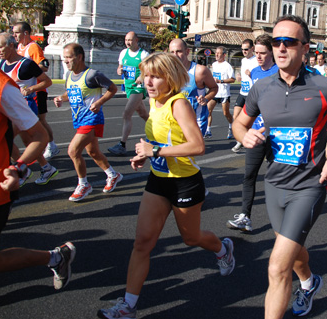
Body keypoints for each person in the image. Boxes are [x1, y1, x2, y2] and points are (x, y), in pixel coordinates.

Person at [232, 15, 327, 318]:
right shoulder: (261, 88)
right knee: (292, 252)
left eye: (289, 42)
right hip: (275, 184)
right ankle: (309, 283)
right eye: (275, 41)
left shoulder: (326, 86)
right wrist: (246, 136)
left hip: (309, 185)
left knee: (277, 265)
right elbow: (239, 123)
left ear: (305, 48)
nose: (280, 48)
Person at [97, 53, 235, 319]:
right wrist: (144, 154)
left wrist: (156, 151)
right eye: (146, 75)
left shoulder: (178, 103)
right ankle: (128, 306)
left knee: (191, 238)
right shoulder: (154, 100)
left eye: (155, 76)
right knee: (142, 243)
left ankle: (222, 248)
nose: (148, 81)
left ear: (170, 78)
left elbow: (198, 146)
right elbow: (159, 141)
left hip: (185, 183)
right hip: (158, 181)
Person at [0, 12, 75, 317]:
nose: (1, 50)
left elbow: (38, 135)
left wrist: (18, 168)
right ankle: (56, 257)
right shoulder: (3, 68)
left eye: (5, 45)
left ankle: (51, 169)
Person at [54, 43, 123, 201]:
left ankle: (83, 184)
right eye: (64, 57)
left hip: (92, 119)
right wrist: (61, 98)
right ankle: (113, 175)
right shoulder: (70, 76)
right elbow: (70, 93)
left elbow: (112, 88)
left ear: (79, 57)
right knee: (93, 152)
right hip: (79, 119)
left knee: (73, 151)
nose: (65, 61)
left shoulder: (92, 75)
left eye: (68, 57)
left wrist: (99, 102)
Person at [227, 34, 278, 232]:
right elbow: (251, 102)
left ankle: (281, 218)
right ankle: (245, 216)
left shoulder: (279, 72)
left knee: (275, 178)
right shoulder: (255, 72)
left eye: (262, 53)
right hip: (256, 132)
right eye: (256, 52)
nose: (258, 56)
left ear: (271, 52)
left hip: (275, 135)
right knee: (249, 175)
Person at [0, 33, 59, 186]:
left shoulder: (26, 64)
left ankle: (22, 170)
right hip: (10, 108)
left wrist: (31, 88)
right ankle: (46, 168)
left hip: (25, 107)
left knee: (5, 139)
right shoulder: (2, 64)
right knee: (28, 141)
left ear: (11, 45)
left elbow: (47, 81)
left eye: (0, 47)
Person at [13, 22, 60, 159]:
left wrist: (30, 71)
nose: (14, 35)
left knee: (40, 121)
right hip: (23, 92)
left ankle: (51, 145)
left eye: (17, 32)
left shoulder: (32, 48)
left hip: (37, 90)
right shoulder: (18, 48)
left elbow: (44, 66)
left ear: (25, 33)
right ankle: (37, 148)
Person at [108, 32, 150, 156]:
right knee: (143, 114)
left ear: (136, 40)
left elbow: (149, 69)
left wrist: (142, 78)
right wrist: (119, 70)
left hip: (138, 88)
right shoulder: (123, 53)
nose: (128, 42)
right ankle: (160, 130)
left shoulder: (143, 54)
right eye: (126, 40)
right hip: (127, 87)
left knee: (126, 114)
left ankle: (122, 144)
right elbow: (119, 68)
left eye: (130, 40)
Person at [169, 38, 218, 137]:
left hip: (195, 122)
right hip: (174, 121)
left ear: (187, 52)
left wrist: (206, 98)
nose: (175, 55)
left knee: (190, 151)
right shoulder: (167, 72)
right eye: (172, 52)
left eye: (179, 51)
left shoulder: (199, 71)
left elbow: (214, 88)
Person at [231, 39, 258, 152]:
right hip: (243, 91)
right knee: (235, 116)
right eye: (242, 49)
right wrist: (240, 77)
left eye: (246, 49)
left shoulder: (256, 60)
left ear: (252, 48)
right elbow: (243, 75)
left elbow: (259, 76)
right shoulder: (243, 61)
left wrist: (251, 74)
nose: (244, 51)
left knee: (248, 119)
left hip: (251, 93)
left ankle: (246, 139)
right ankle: (241, 139)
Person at [206, 46, 235, 139]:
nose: (217, 55)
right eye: (216, 53)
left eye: (219, 53)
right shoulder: (214, 64)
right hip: (215, 92)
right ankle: (208, 130)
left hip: (224, 93)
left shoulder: (227, 66)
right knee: (208, 110)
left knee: (225, 113)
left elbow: (232, 79)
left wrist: (221, 81)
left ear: (224, 55)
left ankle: (231, 126)